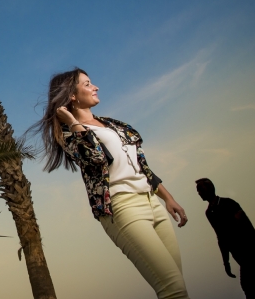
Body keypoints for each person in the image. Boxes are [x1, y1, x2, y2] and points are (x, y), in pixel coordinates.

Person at [32, 68, 190, 299]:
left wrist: (167, 198)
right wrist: (75, 124)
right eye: (87, 84)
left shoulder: (113, 124)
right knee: (173, 289)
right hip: (121, 208)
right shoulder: (68, 133)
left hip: (151, 202)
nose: (95, 87)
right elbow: (96, 160)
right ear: (72, 95)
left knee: (177, 283)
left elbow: (141, 165)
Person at [195, 178, 255, 299]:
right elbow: (221, 237)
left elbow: (247, 226)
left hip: (249, 252)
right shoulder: (209, 212)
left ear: (210, 189)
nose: (199, 193)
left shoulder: (228, 203)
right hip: (240, 257)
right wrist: (226, 262)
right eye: (198, 191)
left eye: (201, 190)